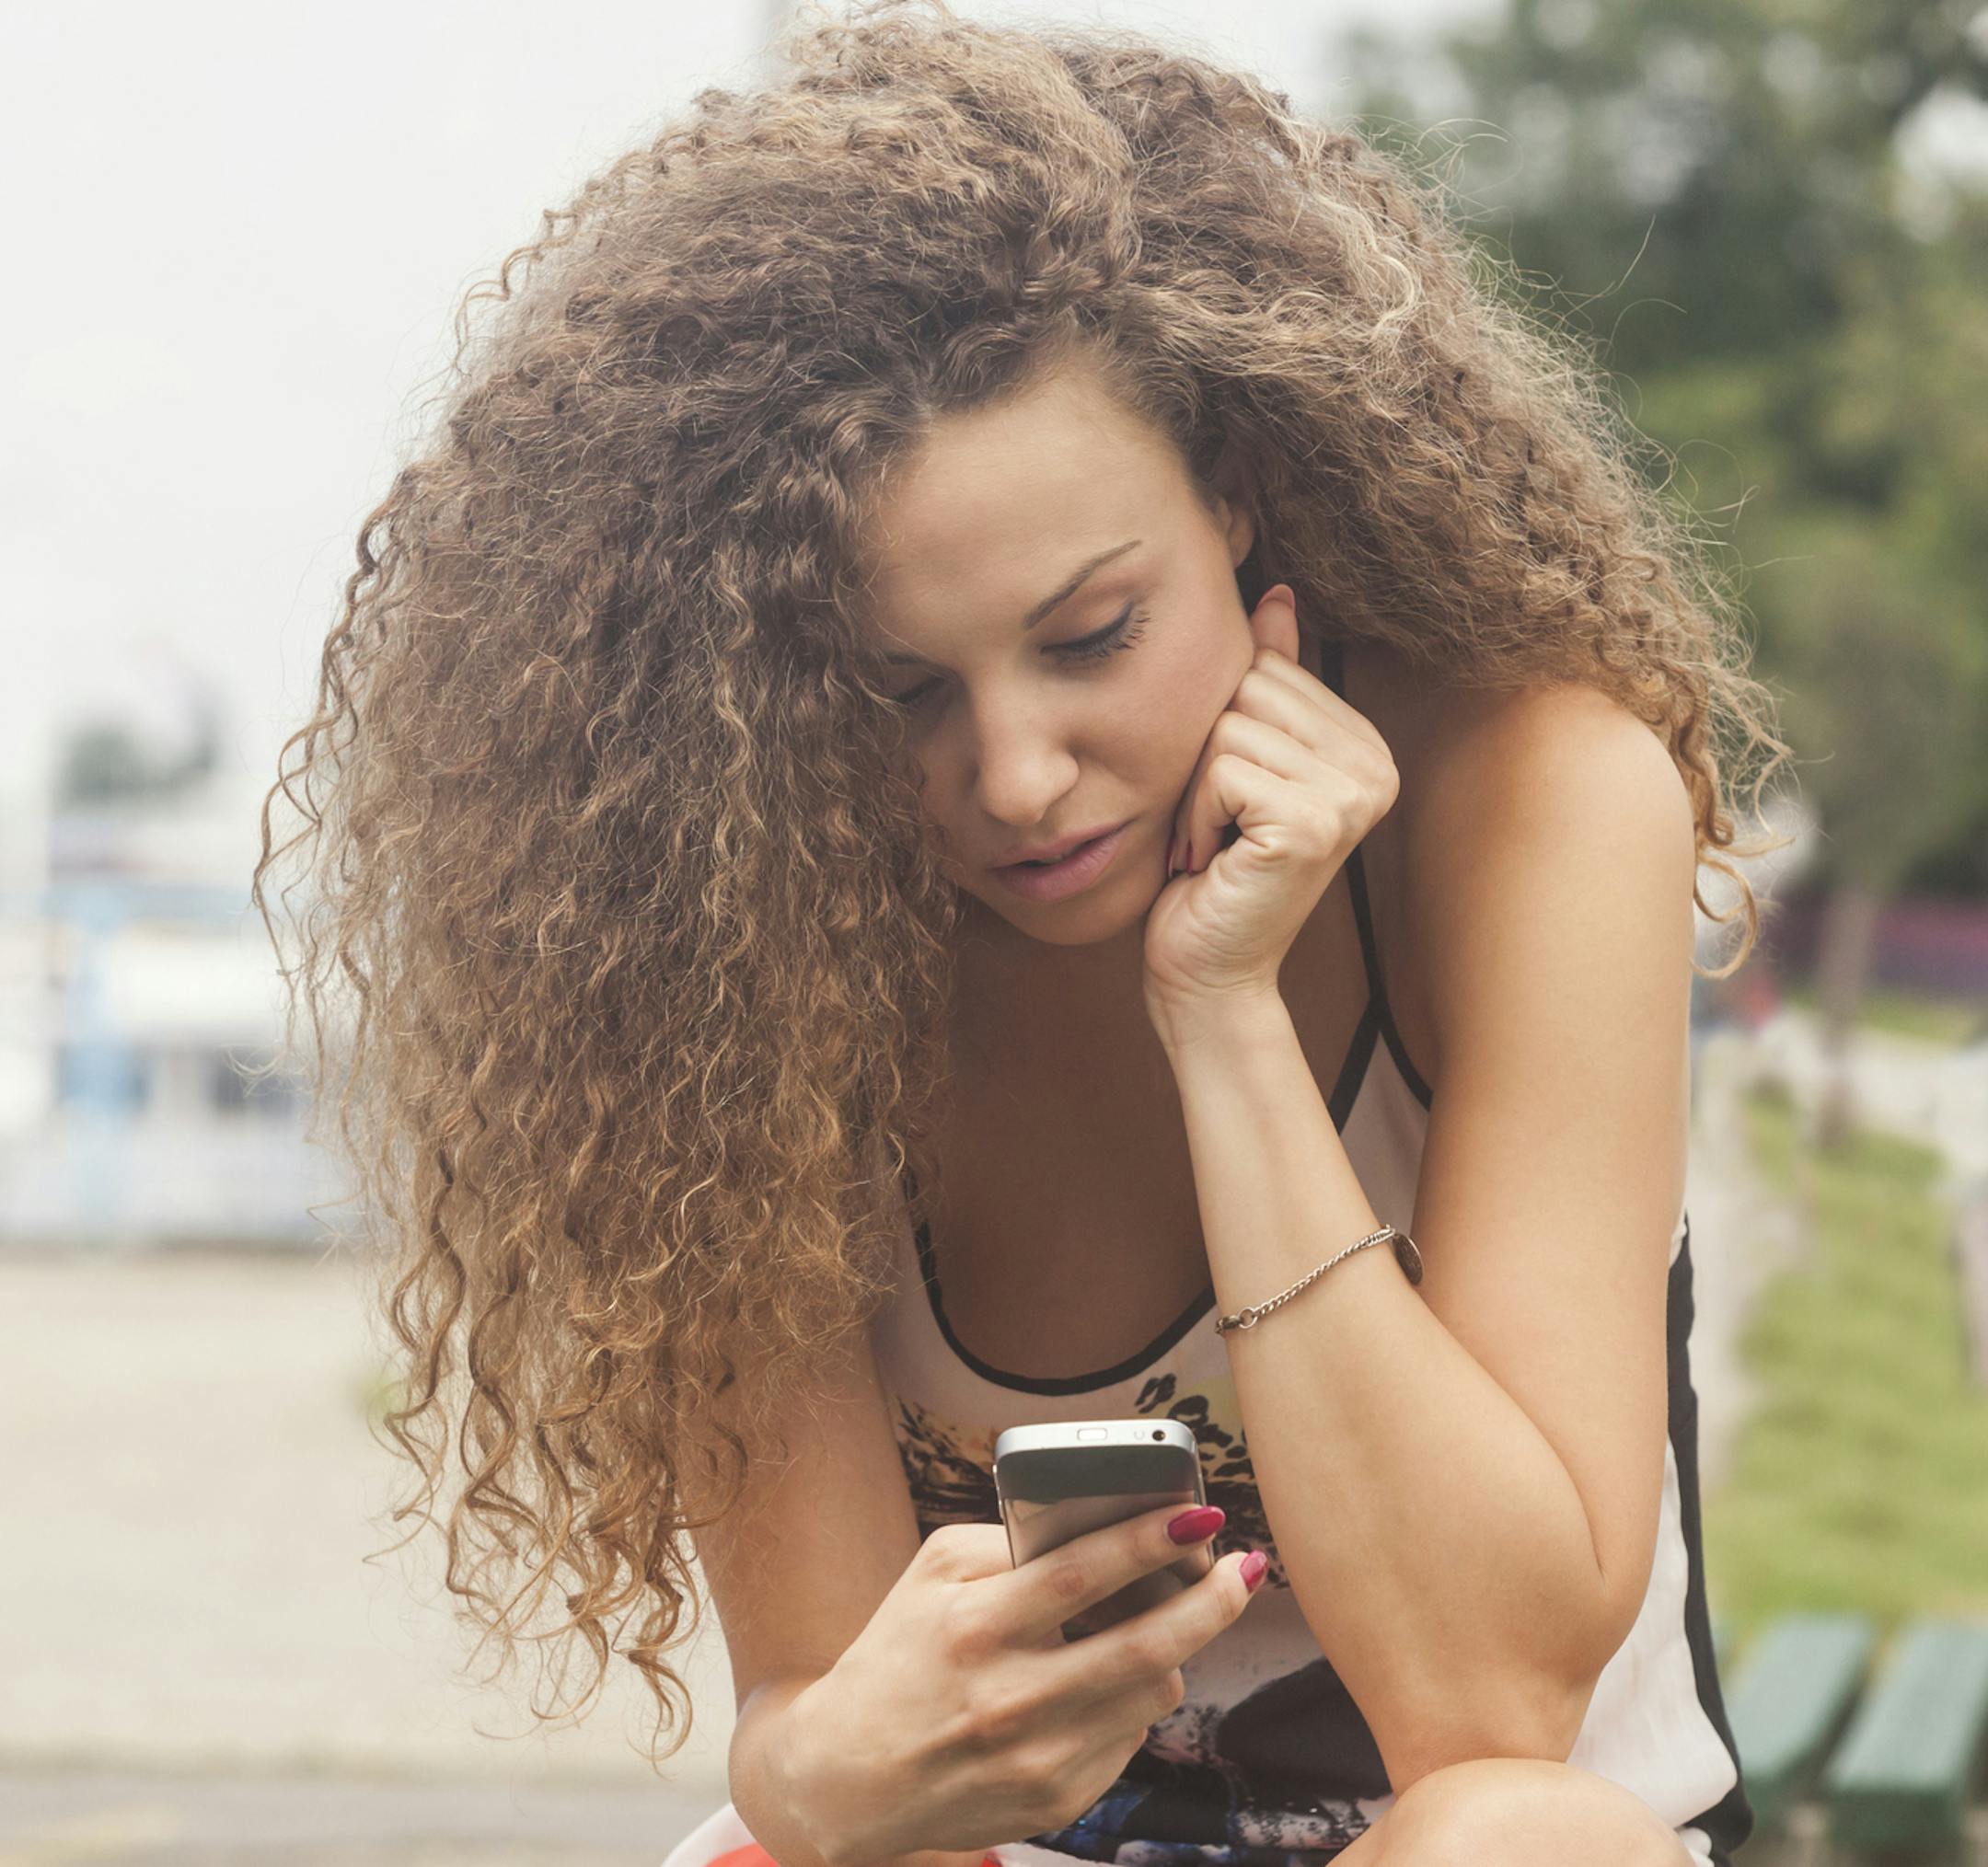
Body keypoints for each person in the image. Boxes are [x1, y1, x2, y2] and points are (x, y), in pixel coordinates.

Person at [253, 4, 1797, 1862]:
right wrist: (828, 1768)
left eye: (1089, 638)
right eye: (897, 690)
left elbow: (1489, 1711)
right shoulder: (734, 951)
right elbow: (812, 1729)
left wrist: (1222, 1014)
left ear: (1239, 492)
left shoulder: (1530, 795)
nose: (1018, 777)